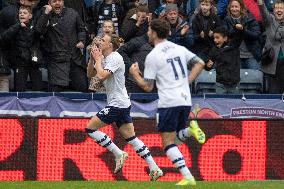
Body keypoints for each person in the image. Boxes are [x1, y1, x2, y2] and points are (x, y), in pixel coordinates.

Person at [129, 19, 206, 186]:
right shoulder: (179, 48)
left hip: (168, 101)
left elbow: (148, 87)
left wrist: (135, 74)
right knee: (177, 139)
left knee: (168, 143)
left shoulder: (153, 56)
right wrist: (186, 82)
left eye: (149, 31)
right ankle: (190, 131)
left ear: (155, 33)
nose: (148, 33)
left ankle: (188, 177)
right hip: (185, 99)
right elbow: (200, 63)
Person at [85, 33, 163, 181]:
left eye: (103, 40)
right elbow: (90, 74)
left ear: (110, 45)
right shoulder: (103, 58)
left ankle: (118, 153)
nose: (99, 41)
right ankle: (155, 168)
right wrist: (91, 58)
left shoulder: (115, 57)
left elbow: (101, 76)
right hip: (122, 102)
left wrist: (97, 59)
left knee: (90, 128)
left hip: (117, 103)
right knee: (132, 138)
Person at [257, 0, 284, 93]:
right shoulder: (270, 20)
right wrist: (260, 2)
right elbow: (264, 13)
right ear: (274, 10)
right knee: (274, 92)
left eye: (281, 8)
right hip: (272, 63)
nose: (279, 10)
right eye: (277, 8)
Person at [206, 26, 242, 94]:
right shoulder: (214, 49)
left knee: (234, 104)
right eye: (214, 38)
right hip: (220, 84)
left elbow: (240, 36)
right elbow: (208, 64)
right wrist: (208, 65)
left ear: (225, 38)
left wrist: (240, 29)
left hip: (234, 84)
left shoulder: (234, 45)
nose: (215, 40)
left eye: (217, 38)